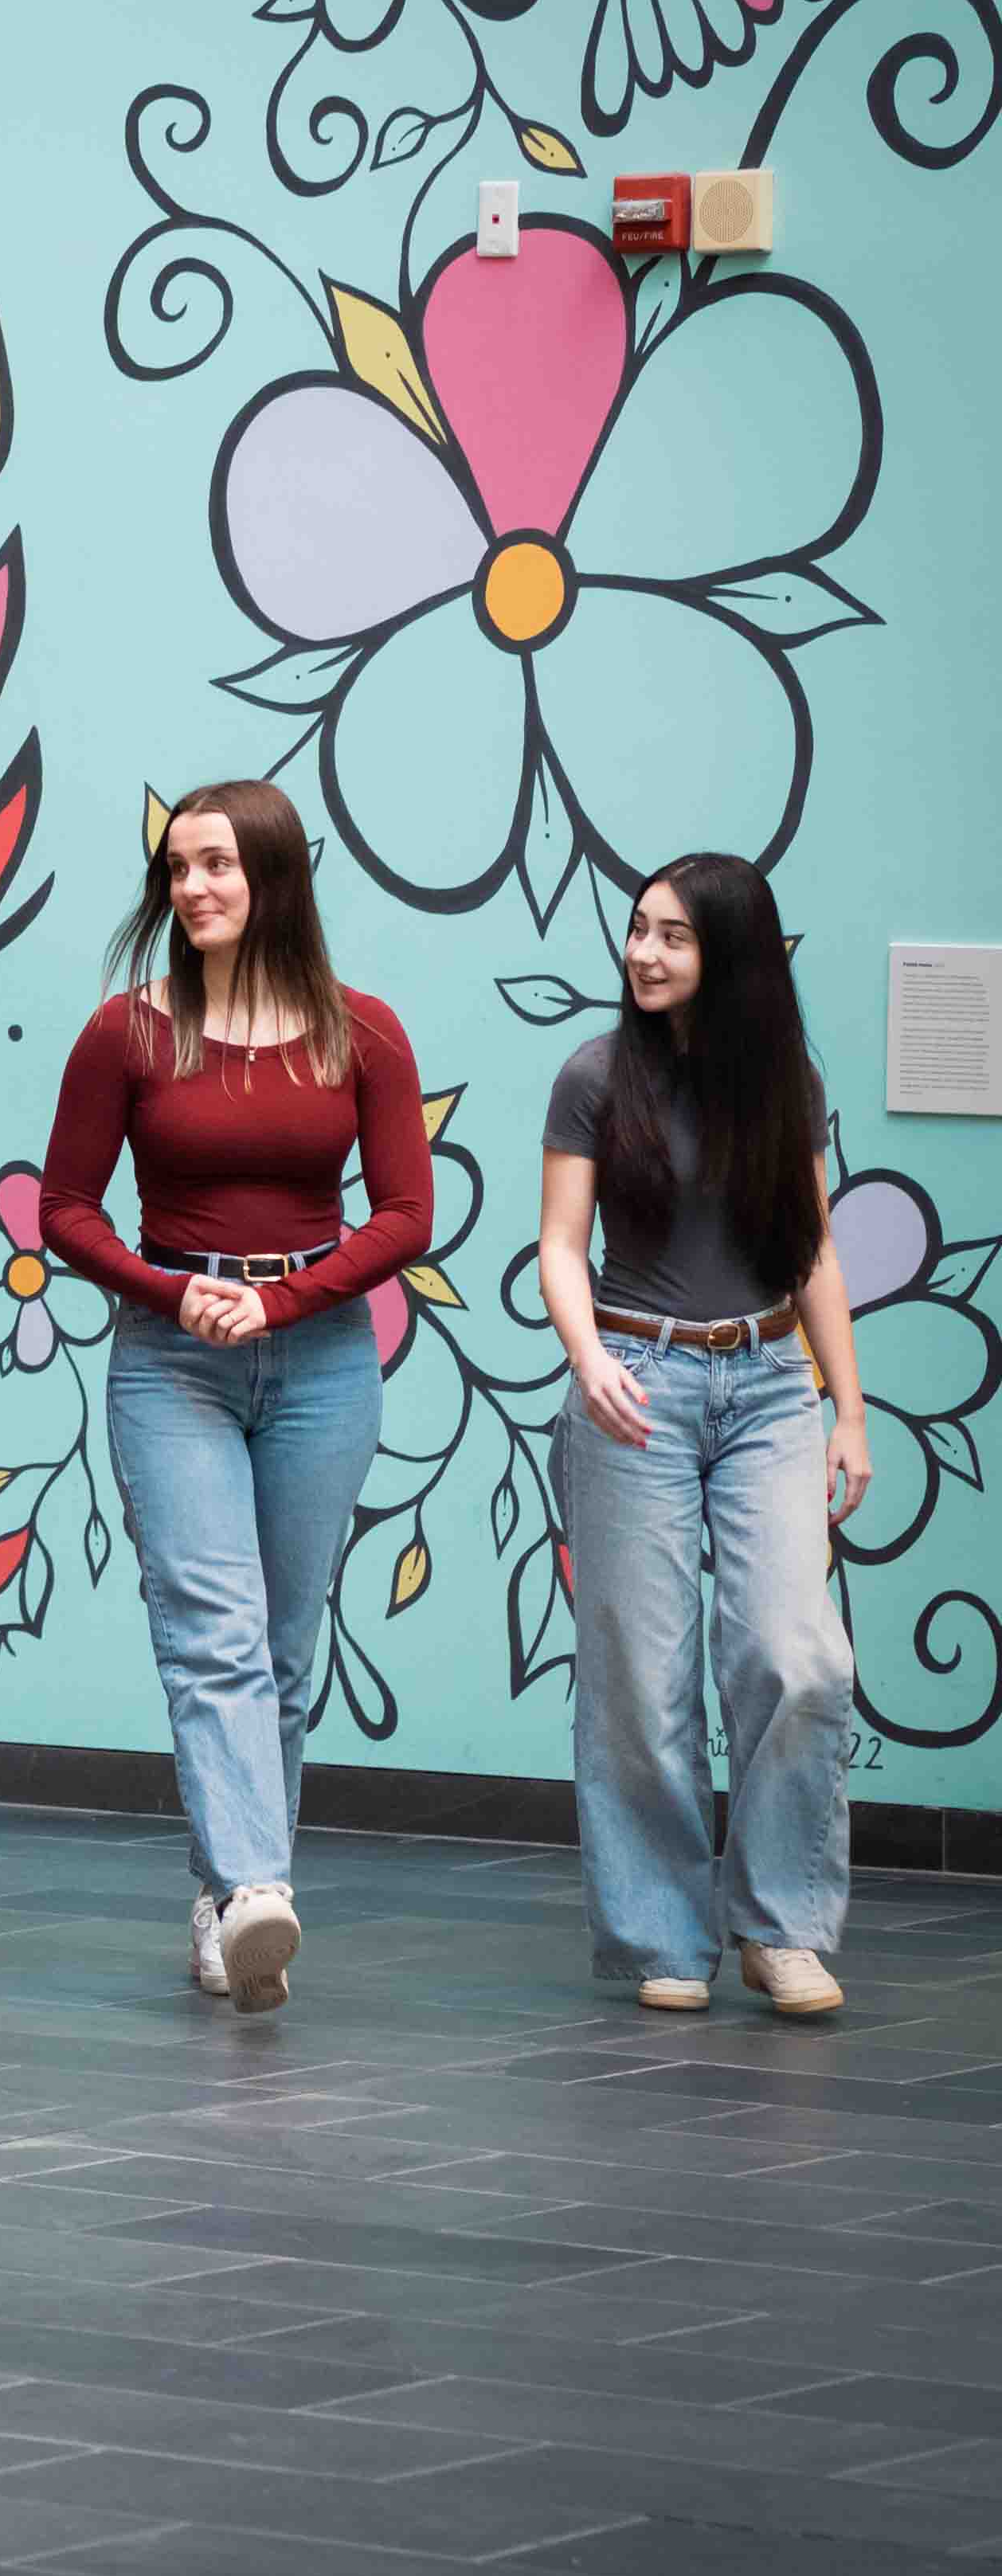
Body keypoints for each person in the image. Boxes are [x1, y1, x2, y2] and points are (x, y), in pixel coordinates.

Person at [40, 781, 432, 2014]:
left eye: (216, 864)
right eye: (177, 868)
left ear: (271, 877)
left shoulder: (360, 1033)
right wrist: (168, 1291)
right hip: (172, 1362)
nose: (192, 888)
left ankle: (225, 1898)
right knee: (210, 1634)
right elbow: (65, 1209)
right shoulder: (127, 1032)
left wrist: (288, 1299)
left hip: (320, 1361)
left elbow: (409, 1217)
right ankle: (257, 1890)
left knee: (284, 1653)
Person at [536, 852, 870, 2018]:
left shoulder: (785, 1082)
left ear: (726, 953)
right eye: (637, 930)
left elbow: (814, 1252)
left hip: (772, 1382)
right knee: (639, 1677)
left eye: (672, 936)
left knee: (799, 1655)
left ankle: (783, 1928)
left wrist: (850, 1408)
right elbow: (561, 1248)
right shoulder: (592, 1075)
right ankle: (662, 1938)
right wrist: (591, 1365)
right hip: (635, 1378)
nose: (643, 953)